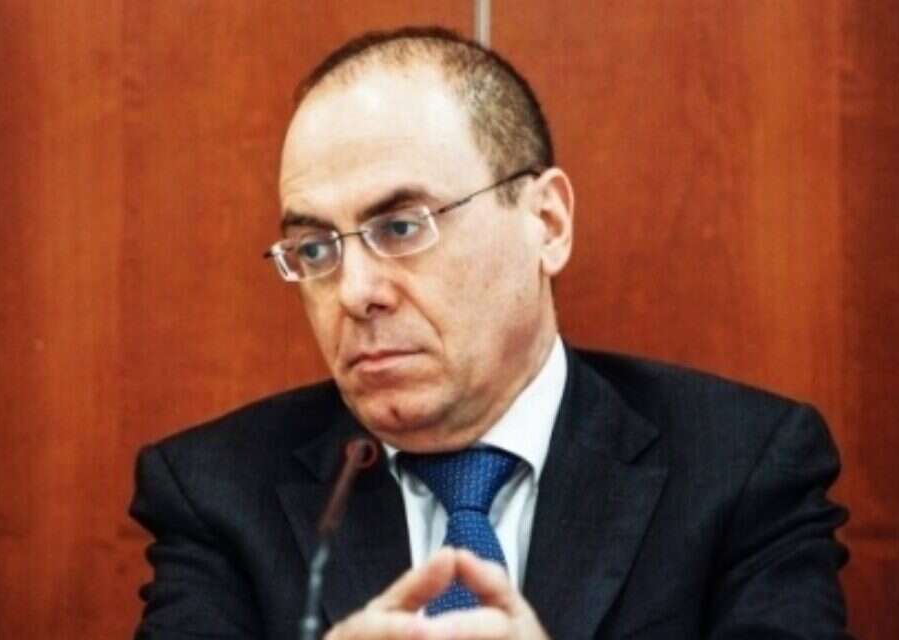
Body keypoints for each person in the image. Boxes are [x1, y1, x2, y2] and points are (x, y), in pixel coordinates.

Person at [130, 26, 850, 639]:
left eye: (400, 228)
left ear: (547, 224)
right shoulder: (218, 492)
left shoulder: (740, 469)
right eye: (316, 249)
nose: (354, 293)